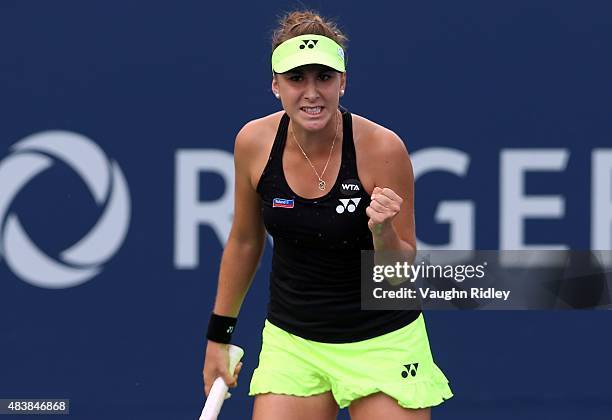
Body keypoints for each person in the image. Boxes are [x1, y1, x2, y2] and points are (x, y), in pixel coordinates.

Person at [203, 10, 453, 420]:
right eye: (297, 79)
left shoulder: (383, 149)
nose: (311, 92)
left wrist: (383, 231)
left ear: (343, 83)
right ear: (275, 86)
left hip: (383, 341)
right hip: (293, 343)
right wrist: (219, 337)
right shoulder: (253, 142)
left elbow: (400, 273)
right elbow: (245, 241)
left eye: (324, 77)